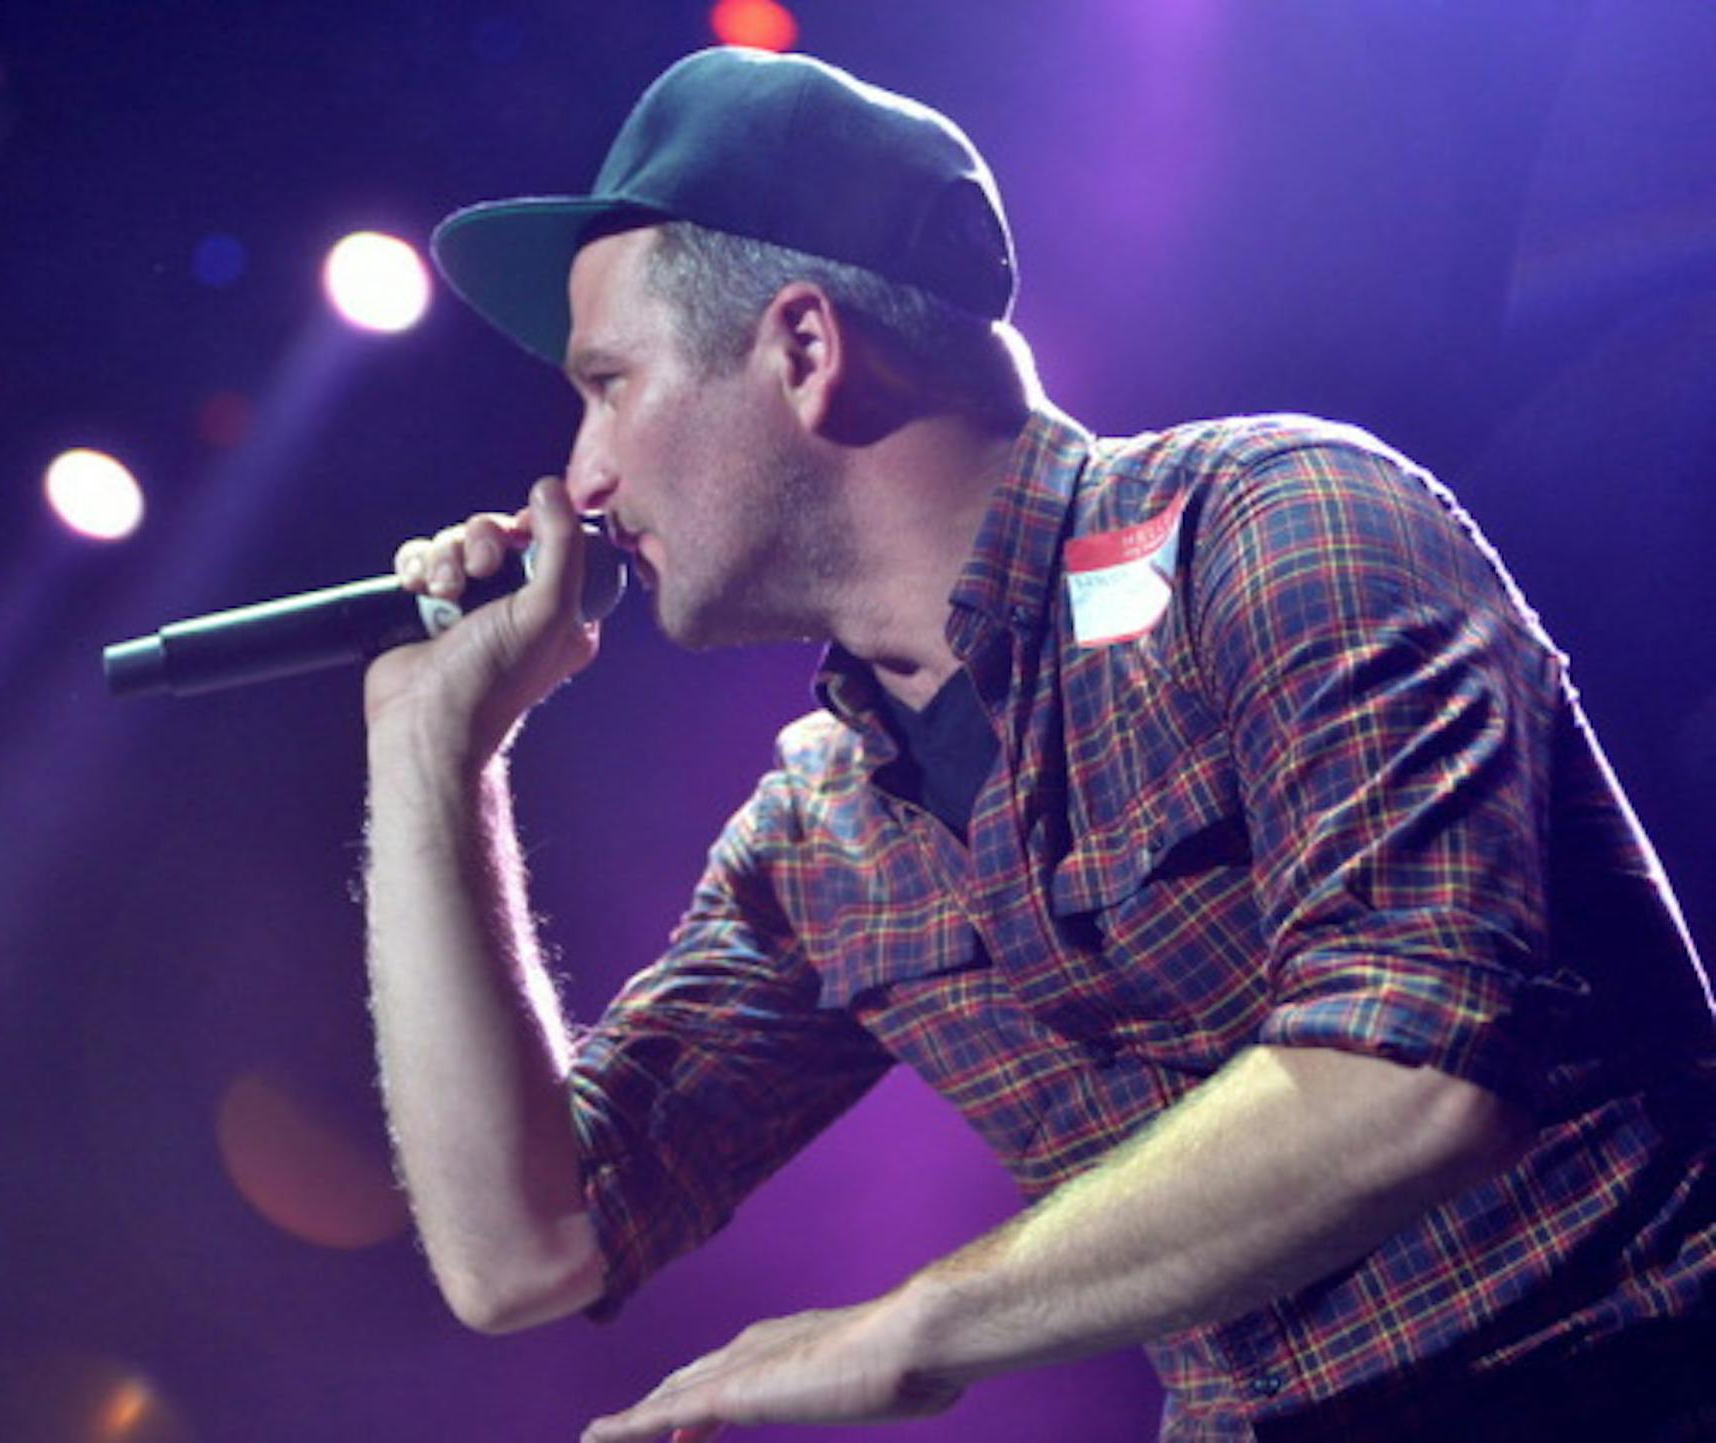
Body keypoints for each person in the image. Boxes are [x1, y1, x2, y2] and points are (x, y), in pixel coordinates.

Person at [359, 47, 1714, 1443]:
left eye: (607, 384)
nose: (577, 475)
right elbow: (525, 1254)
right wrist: (429, 757)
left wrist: (916, 1326)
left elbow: (1414, 1074)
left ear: (805, 352)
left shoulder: (1269, 526)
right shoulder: (823, 834)